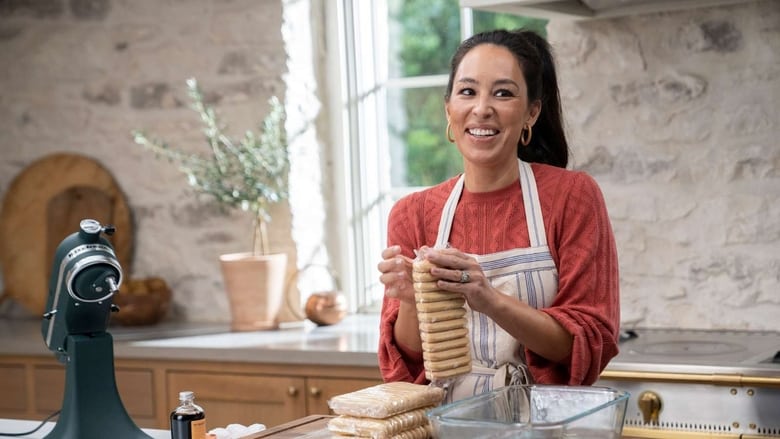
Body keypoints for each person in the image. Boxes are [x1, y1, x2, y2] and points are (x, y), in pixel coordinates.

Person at [376, 28, 620, 402]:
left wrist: (489, 299)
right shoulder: (412, 214)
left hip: (540, 423)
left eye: (503, 93)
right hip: (446, 423)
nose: (482, 108)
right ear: (448, 108)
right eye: (468, 91)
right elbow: (407, 362)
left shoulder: (572, 197)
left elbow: (585, 343)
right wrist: (411, 300)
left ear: (531, 112)